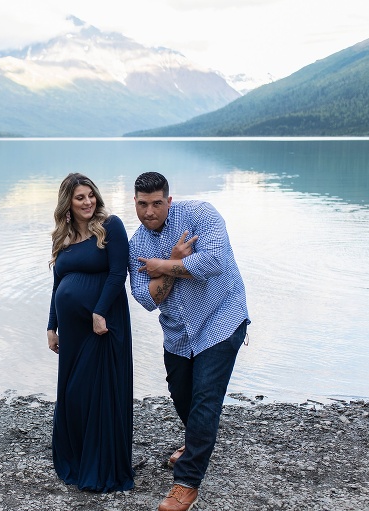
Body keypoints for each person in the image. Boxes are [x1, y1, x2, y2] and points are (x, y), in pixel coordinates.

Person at [128, 172, 250, 511]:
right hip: (178, 333)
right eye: (142, 204)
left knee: (205, 398)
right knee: (182, 394)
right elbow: (146, 299)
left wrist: (162, 265)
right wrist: (175, 262)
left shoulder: (200, 214)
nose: (149, 212)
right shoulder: (136, 244)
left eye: (156, 204)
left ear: (168, 200)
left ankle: (186, 483)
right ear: (134, 203)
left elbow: (213, 262)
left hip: (221, 319)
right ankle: (197, 439)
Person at [47, 172, 135, 492]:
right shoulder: (63, 237)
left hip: (103, 324)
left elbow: (117, 273)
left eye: (90, 195)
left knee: (97, 390)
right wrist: (51, 325)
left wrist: (99, 311)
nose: (88, 202)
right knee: (73, 393)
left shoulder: (111, 227)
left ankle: (101, 464)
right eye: (79, 197)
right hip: (72, 329)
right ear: (67, 203)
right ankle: (79, 455)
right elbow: (58, 285)